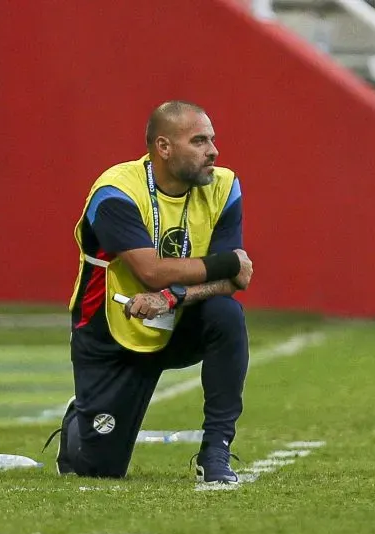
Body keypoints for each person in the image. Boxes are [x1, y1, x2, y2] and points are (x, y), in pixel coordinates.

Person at [46, 100, 254, 483]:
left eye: (213, 139)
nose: (214, 151)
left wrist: (174, 297)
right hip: (113, 329)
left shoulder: (225, 186)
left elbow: (234, 283)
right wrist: (227, 262)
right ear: (163, 147)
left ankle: (216, 451)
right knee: (97, 469)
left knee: (226, 315)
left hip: (178, 320)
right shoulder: (115, 192)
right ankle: (81, 419)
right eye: (199, 141)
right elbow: (152, 272)